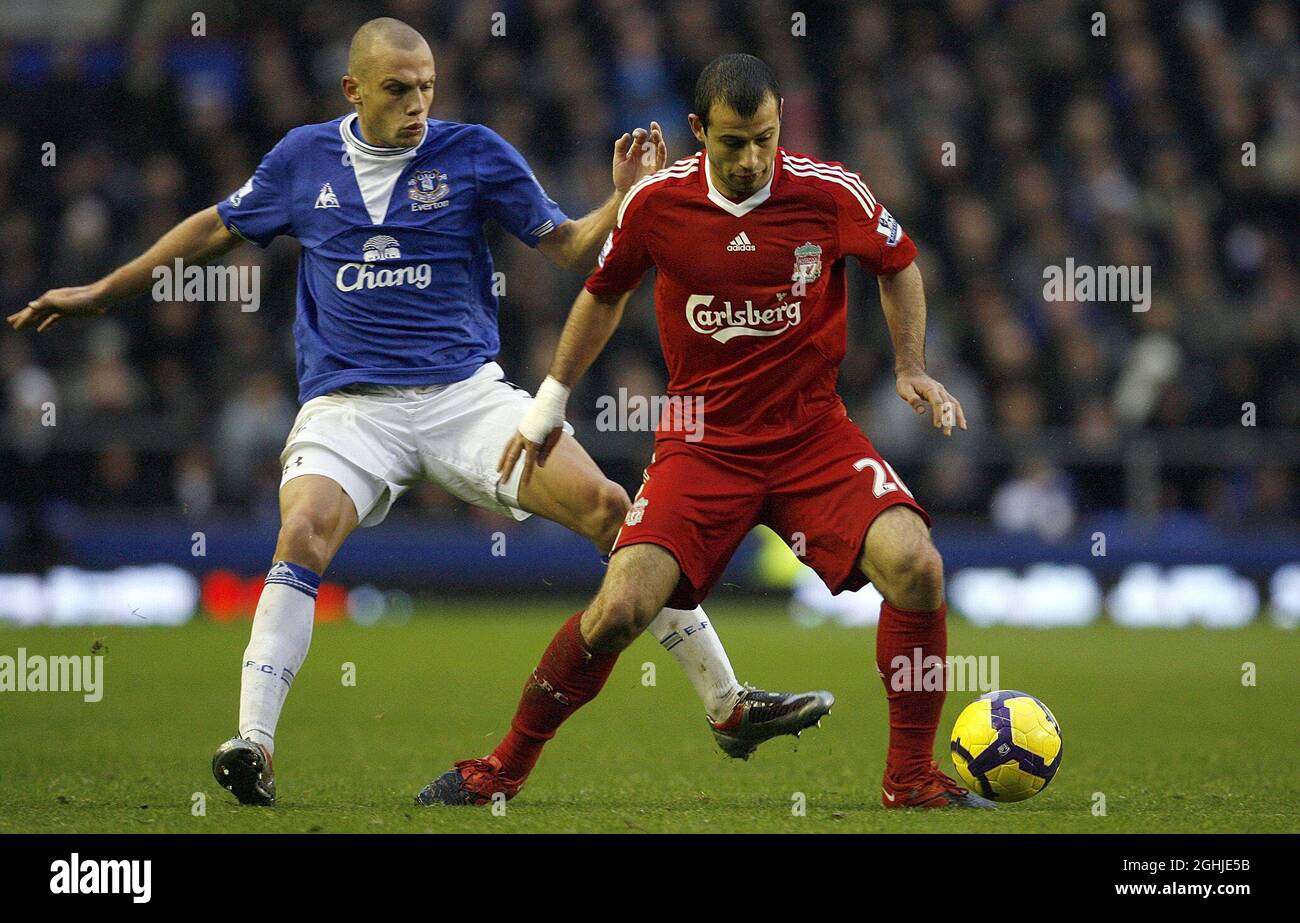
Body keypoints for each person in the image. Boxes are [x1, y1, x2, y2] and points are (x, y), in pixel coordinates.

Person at [8, 24, 831, 808]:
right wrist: (102, 291)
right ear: (352, 88)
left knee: (612, 509)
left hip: (465, 398)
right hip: (349, 408)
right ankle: (252, 743)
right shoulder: (302, 160)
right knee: (301, 534)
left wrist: (619, 201)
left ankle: (727, 706)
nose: (417, 105)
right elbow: (211, 232)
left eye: (427, 88)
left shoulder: (472, 154)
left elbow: (573, 248)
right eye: (398, 90)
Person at [421, 53, 993, 810]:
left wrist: (911, 365)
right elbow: (602, 294)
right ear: (698, 131)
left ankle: (911, 778)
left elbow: (899, 261)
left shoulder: (829, 191)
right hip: (702, 443)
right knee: (620, 609)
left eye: (764, 137)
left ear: (780, 120)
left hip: (812, 437)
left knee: (917, 564)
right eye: (733, 142)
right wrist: (549, 400)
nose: (752, 157)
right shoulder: (658, 201)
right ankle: (501, 768)